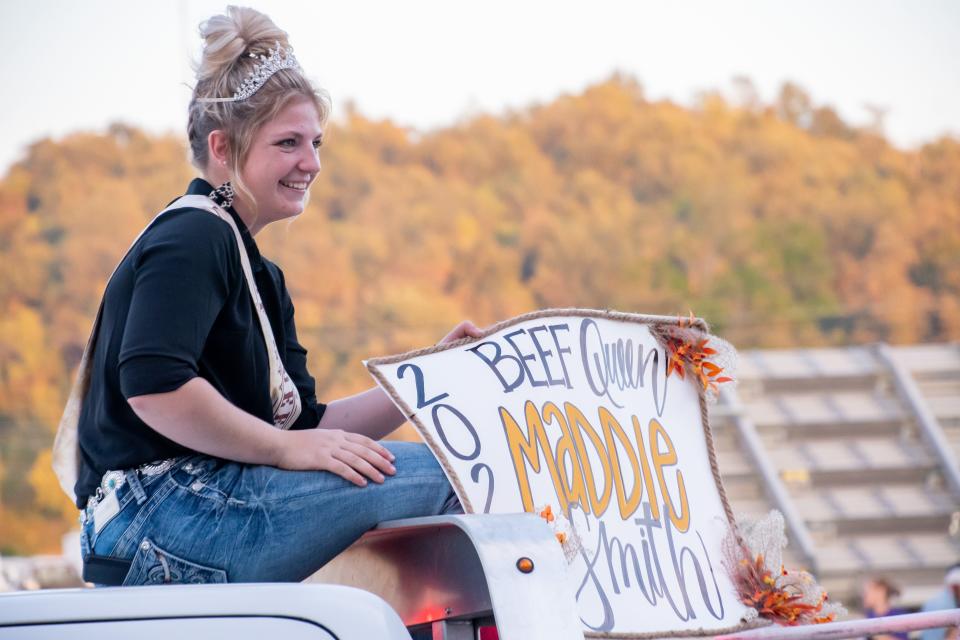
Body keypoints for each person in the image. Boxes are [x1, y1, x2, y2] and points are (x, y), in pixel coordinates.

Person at [60, 6, 480, 586]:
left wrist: (427, 381)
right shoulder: (193, 234)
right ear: (224, 148)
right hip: (158, 512)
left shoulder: (257, 270)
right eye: (288, 143)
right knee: (462, 476)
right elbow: (154, 387)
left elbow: (307, 427)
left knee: (451, 472)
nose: (311, 163)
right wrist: (285, 453)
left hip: (192, 505)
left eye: (315, 142)